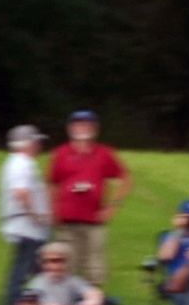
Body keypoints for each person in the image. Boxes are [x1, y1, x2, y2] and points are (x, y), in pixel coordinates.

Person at [47, 110, 131, 286]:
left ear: (95, 128)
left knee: (95, 267)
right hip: (67, 220)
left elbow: (125, 178)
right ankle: (67, 303)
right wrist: (52, 211)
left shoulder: (104, 153)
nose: (82, 128)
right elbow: (51, 183)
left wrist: (112, 207)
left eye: (86, 125)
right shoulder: (61, 153)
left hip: (94, 219)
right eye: (78, 125)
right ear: (71, 128)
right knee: (68, 263)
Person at [0, 124, 52, 305]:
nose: (39, 145)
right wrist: (35, 215)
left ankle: (44, 299)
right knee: (24, 265)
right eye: (36, 141)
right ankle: (13, 302)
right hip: (26, 224)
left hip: (27, 224)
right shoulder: (21, 163)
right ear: (27, 143)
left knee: (40, 266)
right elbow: (20, 191)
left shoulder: (19, 162)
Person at [26, 242, 105, 305]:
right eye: (49, 261)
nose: (54, 265)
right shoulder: (38, 284)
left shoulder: (70, 279)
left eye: (59, 261)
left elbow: (94, 294)